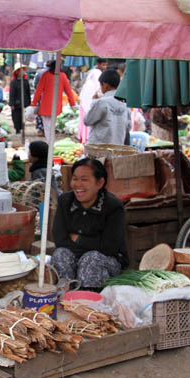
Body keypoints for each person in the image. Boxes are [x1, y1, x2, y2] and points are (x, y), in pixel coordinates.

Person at [52, 158, 128, 289]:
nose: (78, 184)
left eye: (84, 179)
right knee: (60, 254)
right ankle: (66, 295)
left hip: (107, 261)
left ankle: (87, 297)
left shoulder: (113, 206)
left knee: (91, 259)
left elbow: (109, 247)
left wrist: (78, 239)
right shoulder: (65, 201)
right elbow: (60, 239)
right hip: (74, 256)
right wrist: (92, 242)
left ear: (100, 183)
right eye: (75, 179)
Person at [30, 60, 76, 142]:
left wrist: (33, 104)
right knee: (52, 125)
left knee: (47, 126)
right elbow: (69, 91)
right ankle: (51, 141)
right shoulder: (63, 76)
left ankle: (50, 142)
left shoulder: (45, 75)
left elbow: (38, 91)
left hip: (45, 106)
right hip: (56, 106)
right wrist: (72, 104)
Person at [84, 69, 131, 145]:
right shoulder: (125, 103)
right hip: (118, 147)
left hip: (99, 147)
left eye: (101, 85)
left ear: (105, 85)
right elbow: (129, 126)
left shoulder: (102, 102)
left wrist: (94, 102)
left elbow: (87, 121)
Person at [77, 58, 108, 143]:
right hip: (89, 99)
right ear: (98, 64)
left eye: (106, 65)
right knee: (89, 118)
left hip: (85, 99)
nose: (105, 67)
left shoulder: (92, 71)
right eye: (103, 65)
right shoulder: (97, 73)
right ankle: (86, 138)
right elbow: (99, 89)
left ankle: (83, 137)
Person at [9, 63, 32, 134]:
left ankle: (22, 128)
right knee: (16, 116)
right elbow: (12, 93)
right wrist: (12, 103)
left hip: (24, 102)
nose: (22, 72)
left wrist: (29, 102)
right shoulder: (14, 82)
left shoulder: (25, 81)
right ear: (17, 72)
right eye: (20, 70)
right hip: (16, 103)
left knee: (23, 117)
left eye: (23, 70)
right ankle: (17, 129)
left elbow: (28, 92)